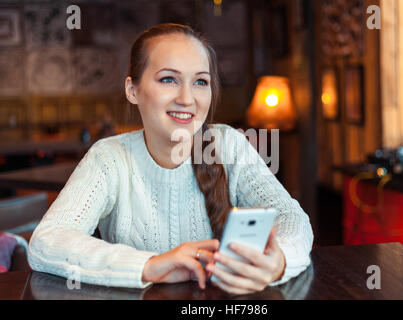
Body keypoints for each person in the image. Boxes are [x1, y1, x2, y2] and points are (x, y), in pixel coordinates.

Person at [28, 23, 313, 295]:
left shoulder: (229, 145)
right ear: (132, 90)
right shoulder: (109, 158)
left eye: (201, 81)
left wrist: (279, 263)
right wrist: (150, 265)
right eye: (168, 79)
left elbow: (291, 218)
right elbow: (47, 242)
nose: (187, 98)